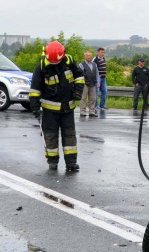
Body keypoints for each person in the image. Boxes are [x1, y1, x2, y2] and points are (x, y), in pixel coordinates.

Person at [29, 41, 84, 171]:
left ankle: (71, 163)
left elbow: (80, 77)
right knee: (50, 135)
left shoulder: (69, 62)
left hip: (67, 108)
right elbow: (34, 90)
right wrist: (35, 108)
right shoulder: (41, 68)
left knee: (69, 135)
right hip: (50, 110)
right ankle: (52, 162)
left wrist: (78, 91)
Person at [78, 49, 99, 117]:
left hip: (93, 83)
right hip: (84, 83)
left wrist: (98, 82)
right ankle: (82, 111)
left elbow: (97, 74)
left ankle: (92, 111)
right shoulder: (81, 65)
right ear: (85, 56)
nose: (89, 57)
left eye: (90, 55)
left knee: (93, 98)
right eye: (87, 56)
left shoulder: (94, 64)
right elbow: (79, 74)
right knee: (83, 98)